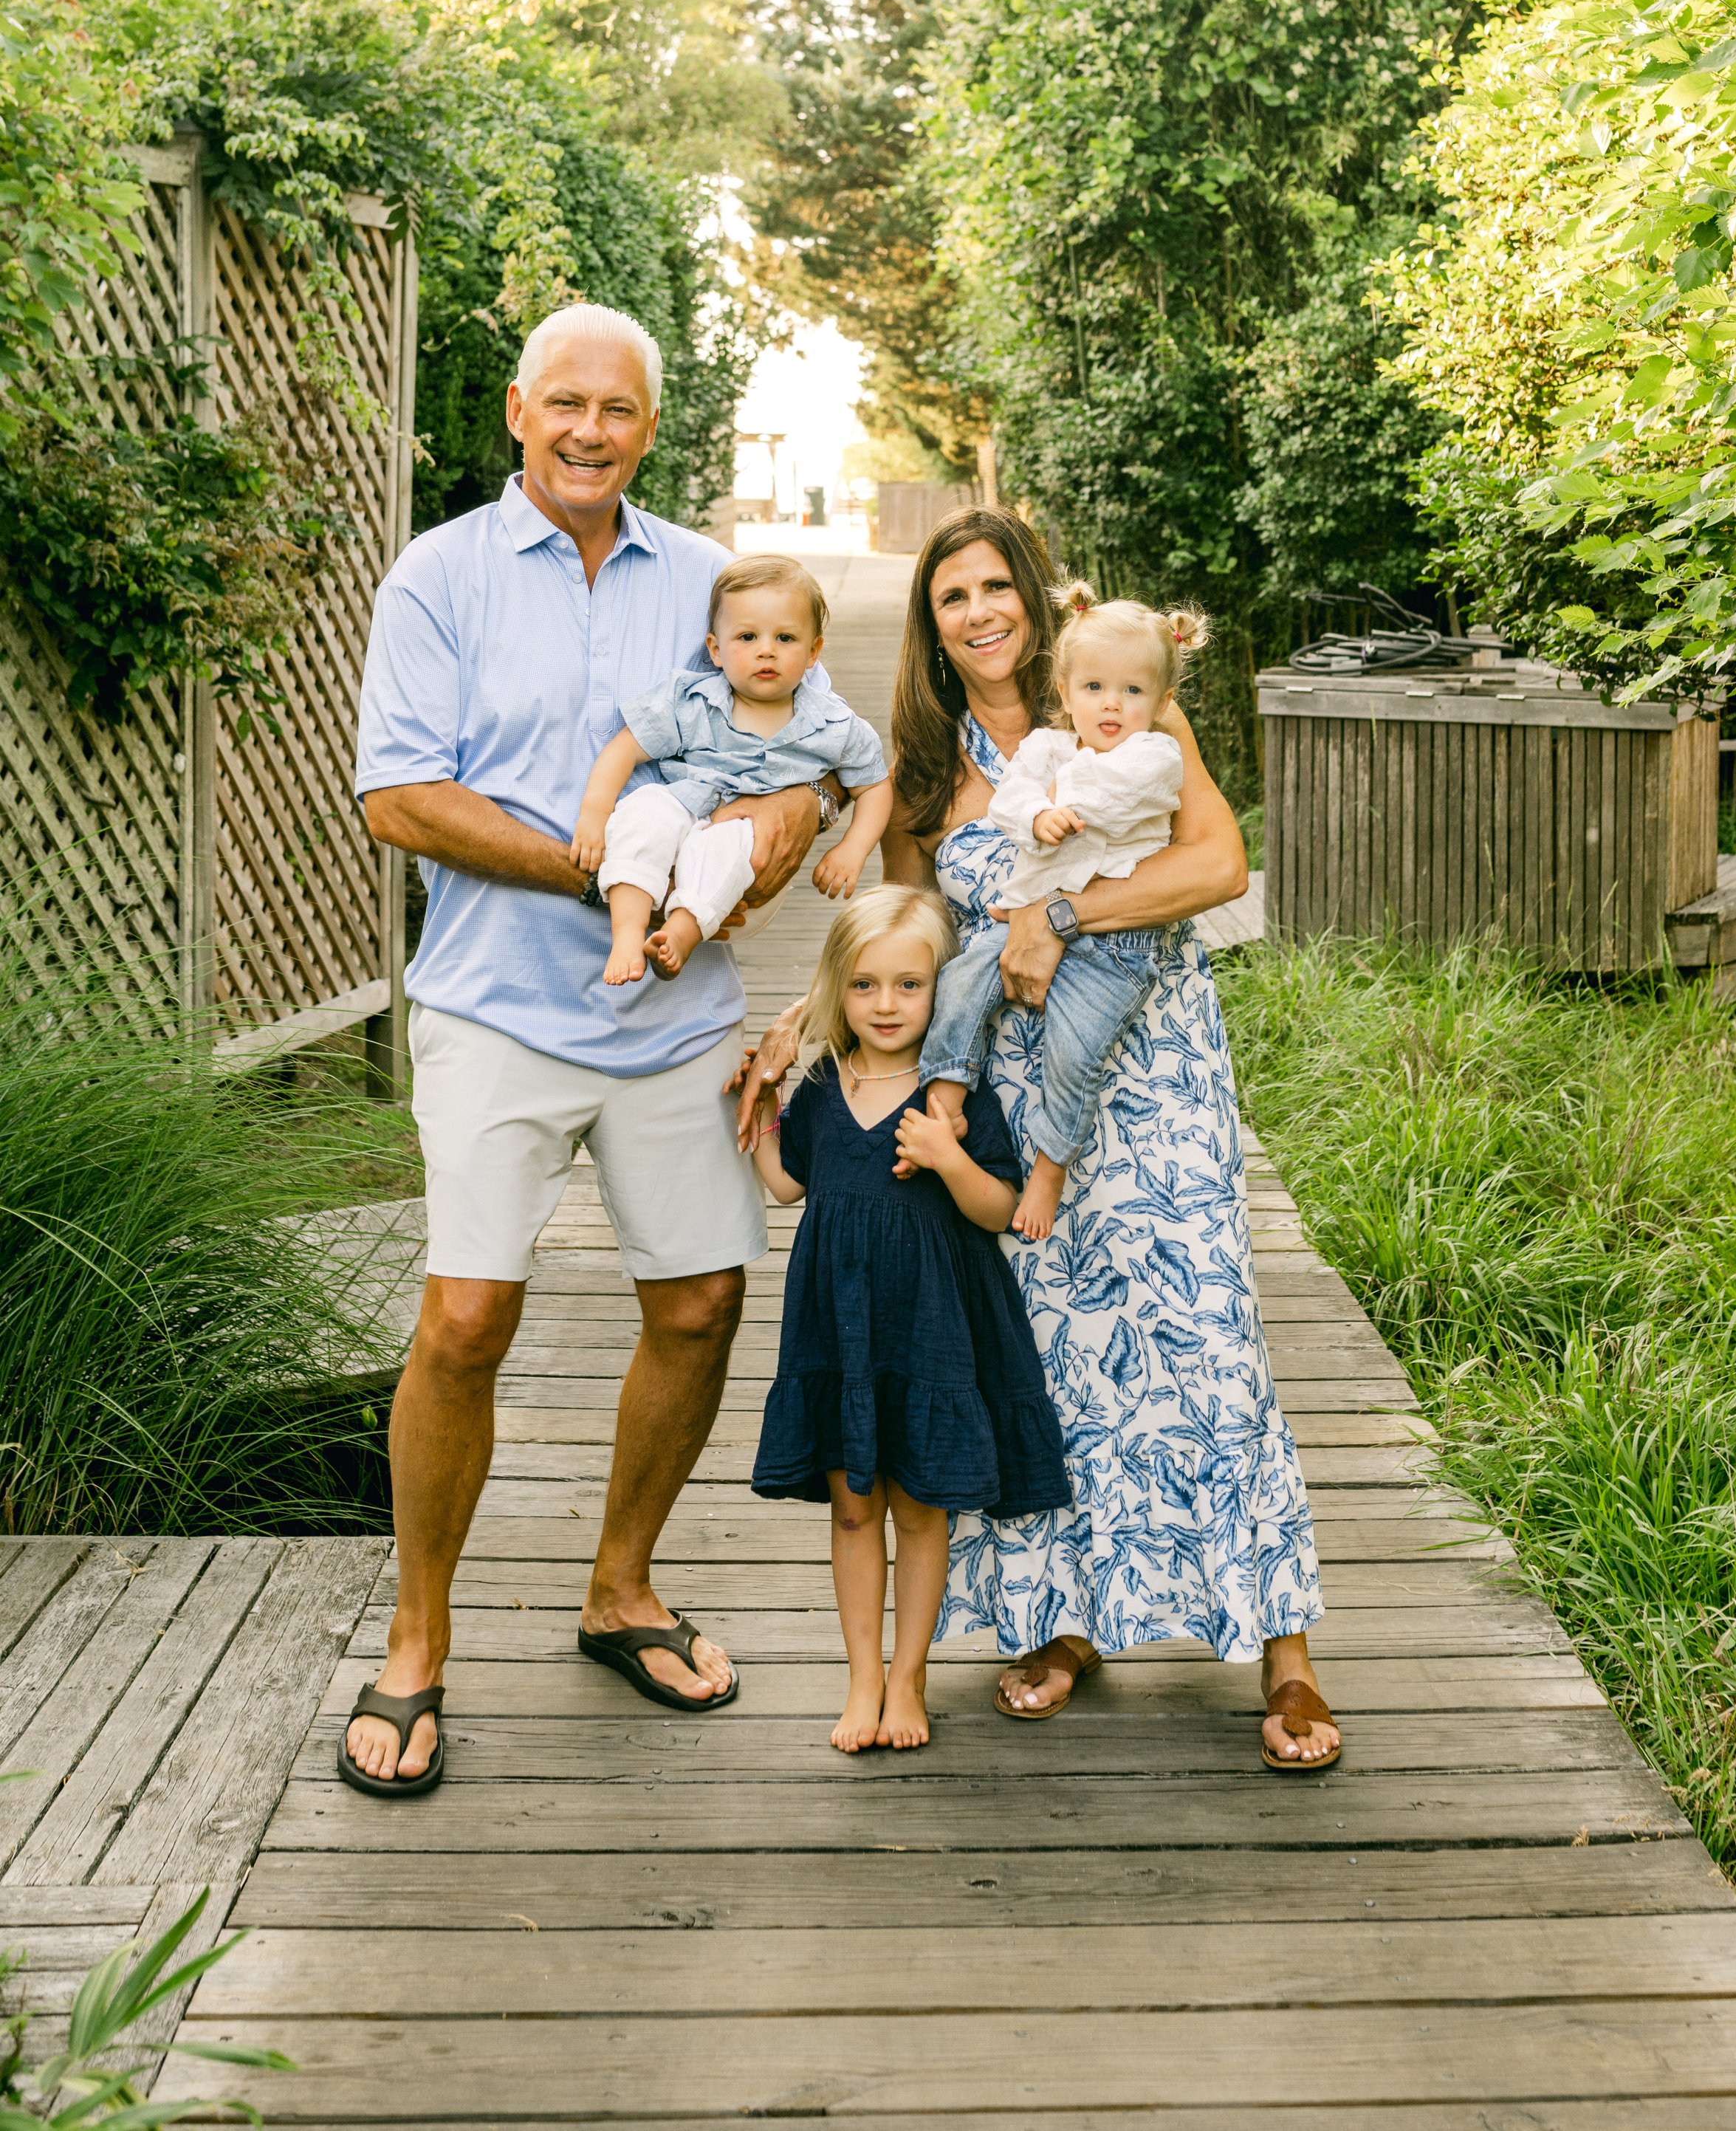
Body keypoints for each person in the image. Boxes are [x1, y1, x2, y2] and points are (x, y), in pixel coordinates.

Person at [738, 507, 1340, 1770]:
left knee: (1208, 1330)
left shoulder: (1120, 705)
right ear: (932, 626)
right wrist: (809, 1012)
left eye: (995, 586)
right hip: (1009, 1093)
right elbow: (909, 935)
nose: (980, 613)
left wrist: (1059, 913)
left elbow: (1218, 866)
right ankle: (1067, 1624)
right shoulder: (927, 768)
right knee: (1052, 1348)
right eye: (952, 596)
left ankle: (1283, 1652)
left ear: (1034, 593)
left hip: (1155, 1068)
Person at [340, 301, 840, 1795]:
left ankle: (621, 1589)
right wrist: (603, 870)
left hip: (673, 1020)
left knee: (699, 1304)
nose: (588, 431)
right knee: (463, 1321)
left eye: (617, 410)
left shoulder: (706, 579)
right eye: (563, 403)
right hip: (494, 1006)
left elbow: (797, 744)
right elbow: (399, 795)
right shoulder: (438, 575)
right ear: (516, 411)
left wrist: (775, 821)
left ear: (648, 427)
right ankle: (417, 1641)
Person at [749, 885, 1071, 1754]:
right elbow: (786, 1186)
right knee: (853, 1507)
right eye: (864, 985)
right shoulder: (824, 1085)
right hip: (840, 1328)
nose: (885, 1004)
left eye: (909, 985)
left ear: (943, 990)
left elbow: (1001, 1209)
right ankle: (861, 1679)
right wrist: (760, 1106)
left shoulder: (953, 1095)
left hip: (929, 1328)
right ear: (836, 988)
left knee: (922, 1509)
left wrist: (947, 1157)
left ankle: (907, 1678)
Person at [914, 582, 1203, 1243]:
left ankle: (1050, 1167)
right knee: (962, 982)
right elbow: (1009, 802)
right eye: (1094, 687)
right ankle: (946, 1089)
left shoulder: (1156, 753)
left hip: (1115, 946)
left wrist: (1052, 802)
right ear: (1066, 692)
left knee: (1075, 1056)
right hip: (1021, 912)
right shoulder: (1049, 747)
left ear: (1162, 702)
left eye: (1133, 691)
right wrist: (1035, 812)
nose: (1112, 704)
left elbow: (1111, 798)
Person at [570, 552, 891, 986]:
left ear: (813, 651)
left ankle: (679, 933)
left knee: (726, 847)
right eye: (747, 637)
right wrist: (594, 813)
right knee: (644, 812)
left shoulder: (833, 724)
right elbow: (625, 749)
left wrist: (854, 847)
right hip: (684, 803)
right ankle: (627, 933)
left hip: (743, 836)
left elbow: (875, 785)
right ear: (716, 650)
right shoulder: (694, 702)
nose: (766, 650)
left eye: (785, 638)